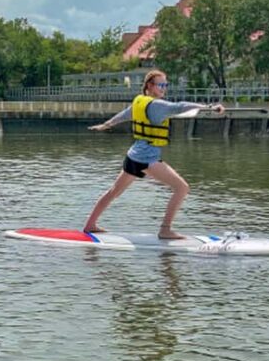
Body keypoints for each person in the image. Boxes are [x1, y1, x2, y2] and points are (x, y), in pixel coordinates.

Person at [84, 70, 224, 239]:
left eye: (166, 85)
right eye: (160, 85)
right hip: (147, 159)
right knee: (182, 188)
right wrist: (210, 107)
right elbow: (180, 106)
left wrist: (106, 124)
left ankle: (90, 225)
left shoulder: (138, 102)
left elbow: (122, 116)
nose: (164, 88)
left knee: (114, 191)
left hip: (133, 156)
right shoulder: (158, 105)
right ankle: (165, 229)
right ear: (150, 86)